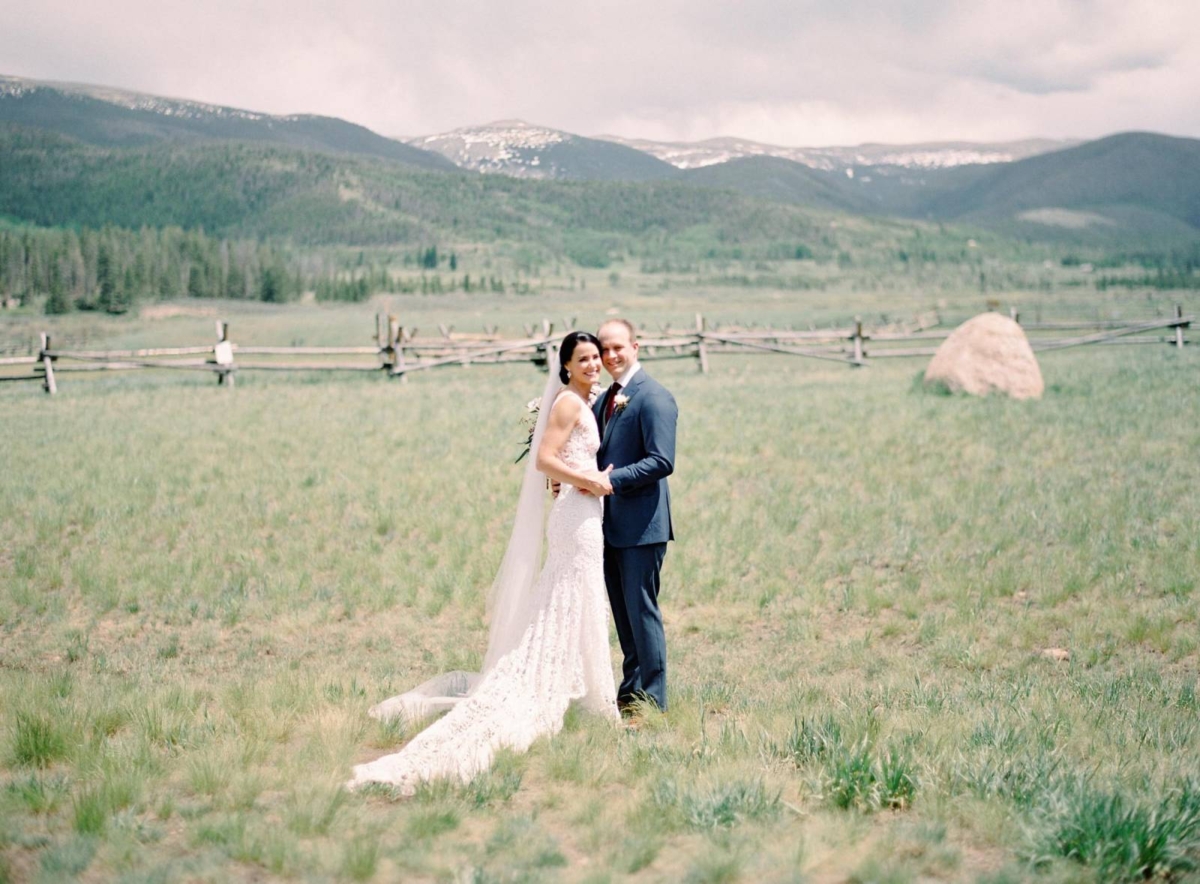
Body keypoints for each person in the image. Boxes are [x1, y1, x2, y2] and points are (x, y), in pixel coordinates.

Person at [346, 332, 619, 793]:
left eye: (596, 357)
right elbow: (545, 461)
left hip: (585, 513)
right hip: (578, 516)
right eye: (584, 359)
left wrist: (585, 481)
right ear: (566, 366)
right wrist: (587, 481)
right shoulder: (570, 405)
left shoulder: (582, 400)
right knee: (572, 597)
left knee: (581, 600)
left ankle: (589, 695)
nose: (594, 364)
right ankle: (580, 698)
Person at [593, 319, 678, 715]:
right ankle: (631, 693)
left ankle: (654, 701)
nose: (610, 356)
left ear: (635, 347)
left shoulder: (654, 397)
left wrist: (610, 482)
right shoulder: (604, 399)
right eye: (603, 349)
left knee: (642, 611)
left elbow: (662, 461)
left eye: (617, 348)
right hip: (607, 526)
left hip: (643, 526)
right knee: (623, 615)